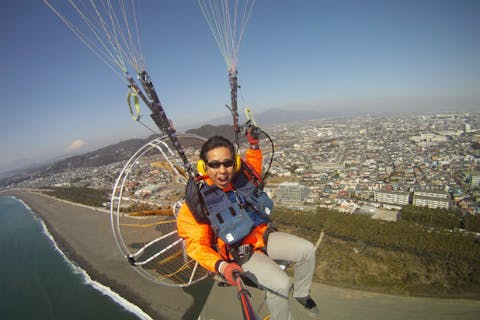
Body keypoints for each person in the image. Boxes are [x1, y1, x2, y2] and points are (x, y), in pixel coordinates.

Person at [177, 129, 319, 320]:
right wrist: (221, 266)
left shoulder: (240, 178)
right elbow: (196, 245)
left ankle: (302, 293)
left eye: (227, 163)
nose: (222, 170)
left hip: (263, 236)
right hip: (241, 252)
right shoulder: (201, 203)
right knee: (280, 284)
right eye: (214, 164)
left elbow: (253, 166)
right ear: (204, 167)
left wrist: (254, 146)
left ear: (234, 163)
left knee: (307, 250)